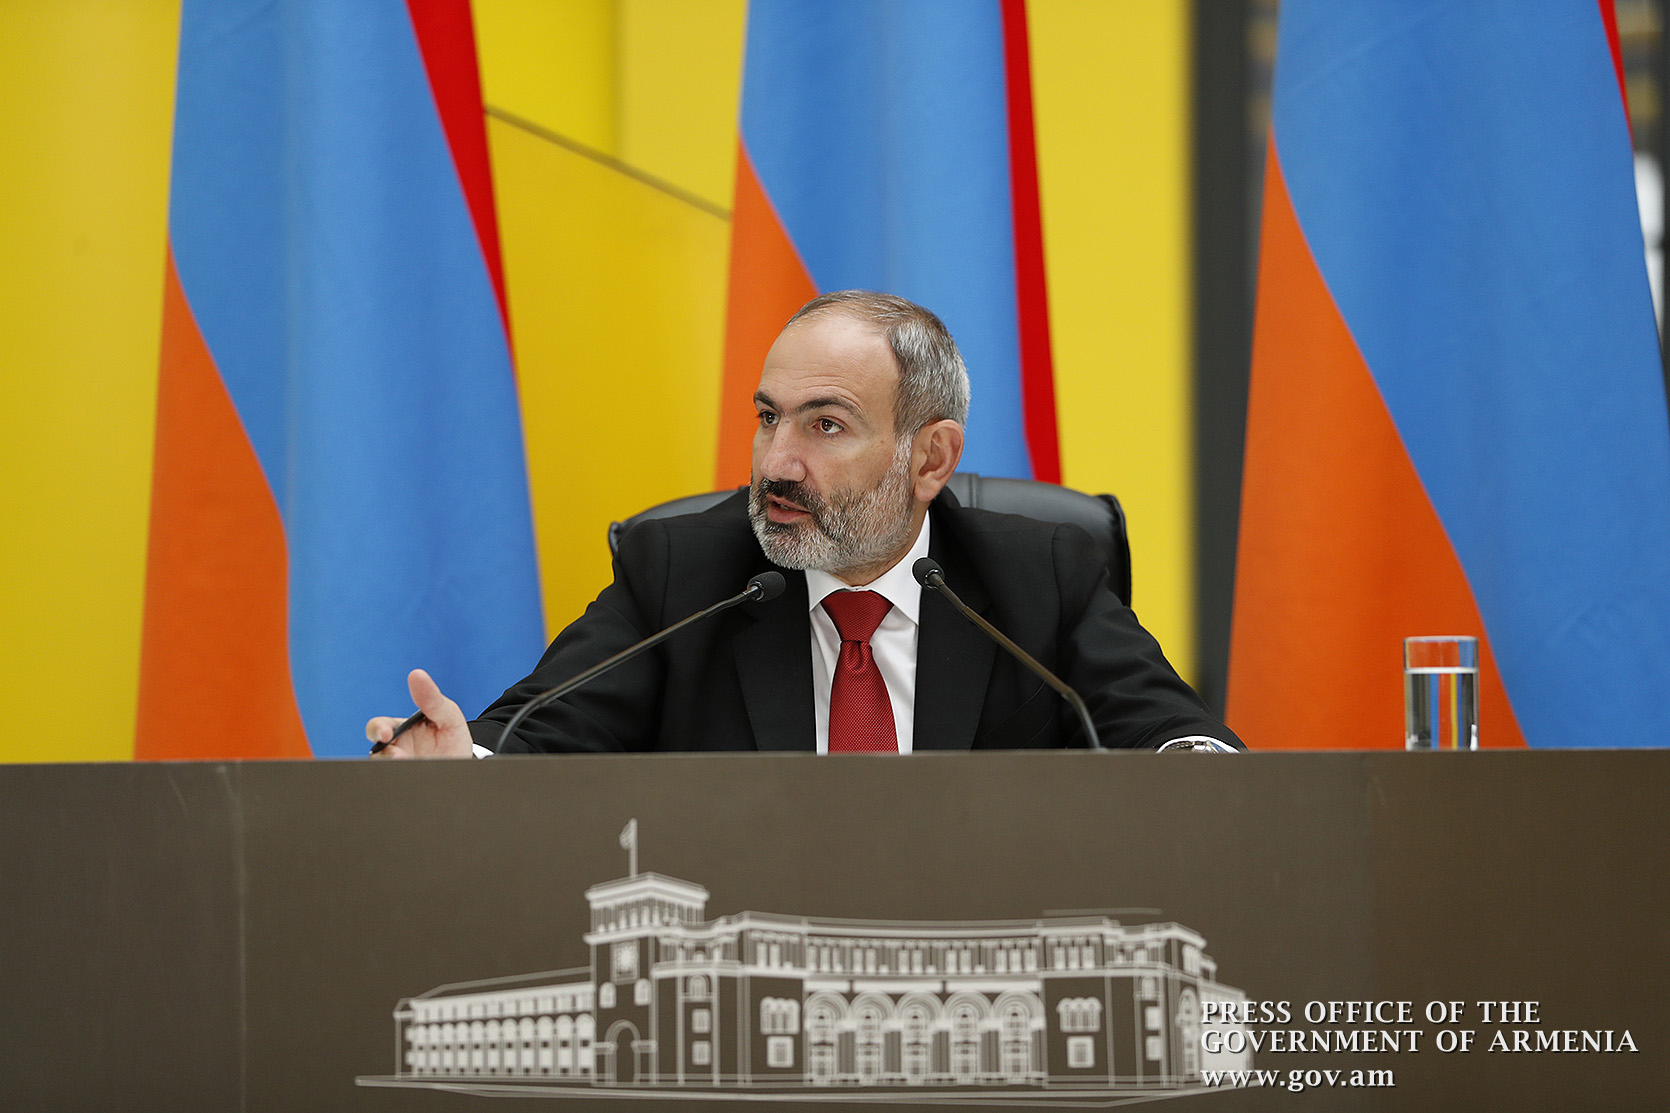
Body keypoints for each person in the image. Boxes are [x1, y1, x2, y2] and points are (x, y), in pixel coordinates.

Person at [366, 291, 1241, 757]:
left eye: (825, 424)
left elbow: (1174, 734)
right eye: (767, 417)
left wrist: (1193, 765)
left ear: (931, 458)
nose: (777, 462)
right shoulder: (684, 572)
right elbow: (537, 732)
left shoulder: (1042, 573)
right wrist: (462, 764)